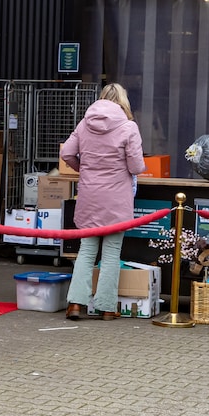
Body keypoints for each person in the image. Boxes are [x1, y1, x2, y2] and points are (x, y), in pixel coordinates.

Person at [60, 83, 147, 320]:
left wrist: (84, 169)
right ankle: (107, 307)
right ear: (123, 101)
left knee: (86, 251)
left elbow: (66, 153)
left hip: (89, 195)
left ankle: (75, 304)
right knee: (111, 253)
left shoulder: (84, 124)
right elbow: (137, 166)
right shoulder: (128, 127)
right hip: (117, 198)